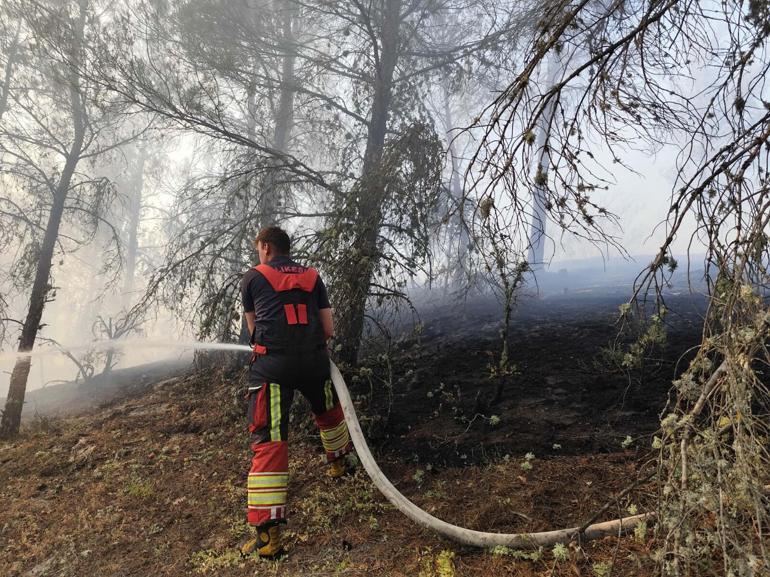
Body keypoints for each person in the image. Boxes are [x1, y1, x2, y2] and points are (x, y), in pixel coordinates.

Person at [239, 226, 354, 558]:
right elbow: (329, 329)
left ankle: (268, 539)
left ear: (265, 247)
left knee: (270, 439)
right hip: (316, 363)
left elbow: (253, 330)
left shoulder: (253, 277)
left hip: (273, 368)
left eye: (258, 248)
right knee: (329, 413)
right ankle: (339, 466)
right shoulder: (313, 276)